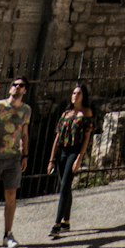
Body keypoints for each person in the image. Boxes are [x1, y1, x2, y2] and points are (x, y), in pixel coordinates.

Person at [0, 74, 30, 248]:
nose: (17, 87)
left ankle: (7, 235)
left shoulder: (26, 110)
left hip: (13, 158)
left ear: (25, 90)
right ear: (10, 88)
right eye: (14, 85)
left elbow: (24, 133)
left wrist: (25, 155)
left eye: (21, 85)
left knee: (11, 196)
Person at [47, 83, 94, 239]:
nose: (75, 96)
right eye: (73, 93)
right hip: (62, 152)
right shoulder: (65, 114)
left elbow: (87, 137)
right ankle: (67, 221)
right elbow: (57, 137)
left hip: (74, 152)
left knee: (65, 185)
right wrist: (51, 159)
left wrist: (80, 158)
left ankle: (57, 224)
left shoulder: (86, 113)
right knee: (65, 185)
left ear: (83, 96)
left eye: (78, 93)